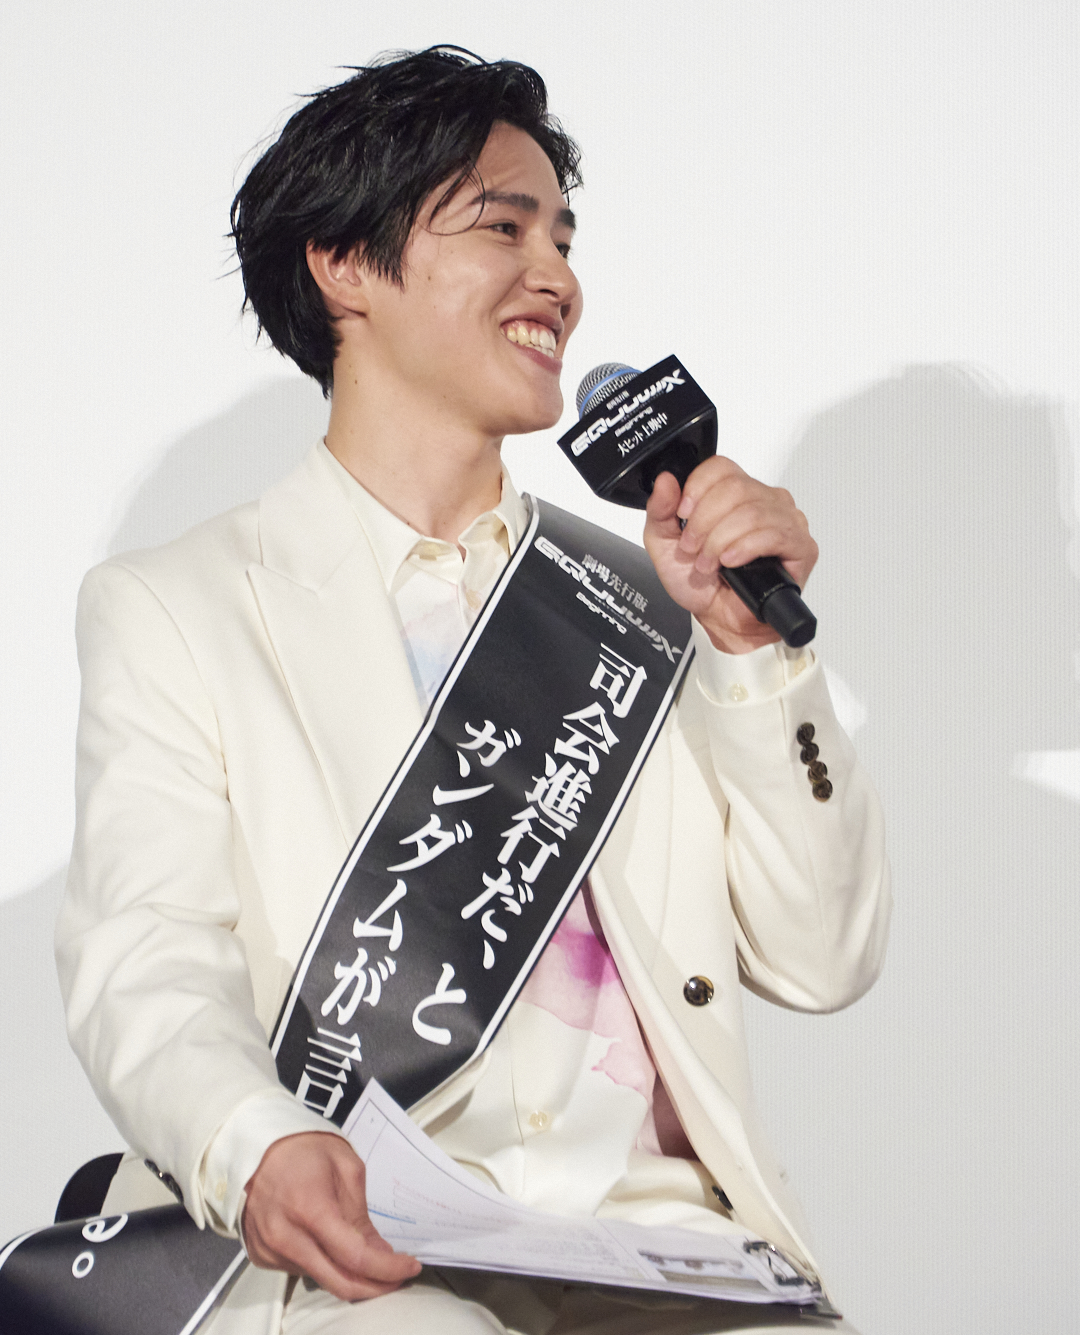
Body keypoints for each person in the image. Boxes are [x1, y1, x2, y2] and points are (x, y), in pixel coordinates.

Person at [55, 46, 891, 1335]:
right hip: (368, 1256)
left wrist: (750, 652)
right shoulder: (181, 605)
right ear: (345, 264)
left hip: (658, 1254)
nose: (557, 275)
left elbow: (820, 961)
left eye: (563, 235)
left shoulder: (644, 602)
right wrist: (255, 1142)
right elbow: (145, 956)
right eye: (504, 226)